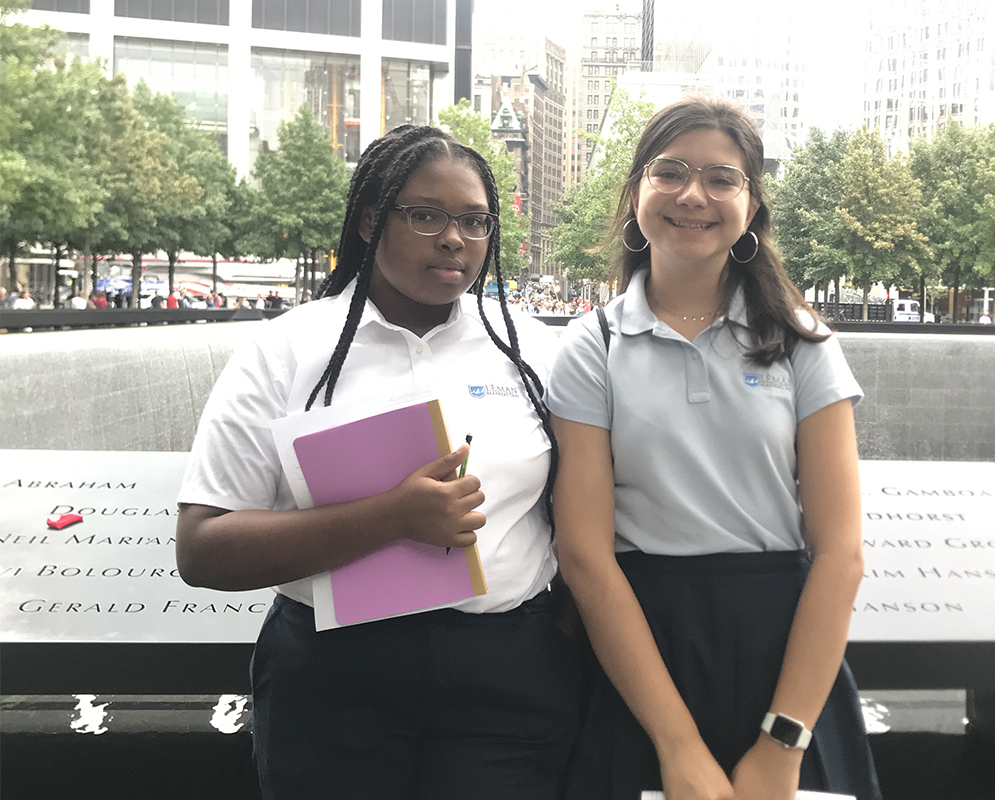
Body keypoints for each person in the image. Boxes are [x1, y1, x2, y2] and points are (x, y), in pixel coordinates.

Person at [176, 125, 580, 800]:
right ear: (370, 218)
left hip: (506, 680)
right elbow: (203, 548)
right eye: (425, 215)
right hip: (334, 682)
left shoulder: (535, 352)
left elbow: (589, 513)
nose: (455, 239)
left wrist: (552, 636)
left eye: (475, 221)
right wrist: (391, 516)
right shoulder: (285, 350)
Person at [547, 97, 881, 800]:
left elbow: (841, 554)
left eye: (722, 179)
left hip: (785, 658)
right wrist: (677, 747)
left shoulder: (801, 343)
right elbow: (584, 553)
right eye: (670, 172)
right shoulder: (592, 347)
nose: (694, 195)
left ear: (752, 204)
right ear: (636, 190)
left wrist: (783, 743)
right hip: (643, 657)